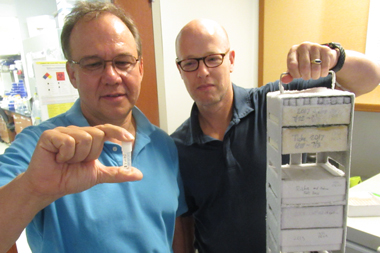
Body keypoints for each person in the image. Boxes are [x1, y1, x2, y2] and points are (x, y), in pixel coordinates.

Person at [171, 18, 380, 252]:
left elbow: (370, 79)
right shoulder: (176, 147)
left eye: (212, 59)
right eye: (190, 63)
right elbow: (184, 222)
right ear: (180, 69)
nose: (203, 72)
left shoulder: (274, 104)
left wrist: (334, 57)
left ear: (230, 60)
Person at [0, 2, 187, 252]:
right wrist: (32, 188)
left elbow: (173, 228)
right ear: (72, 74)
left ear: (140, 68)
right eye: (93, 64)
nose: (111, 76)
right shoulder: (39, 147)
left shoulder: (164, 145)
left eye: (123, 61)